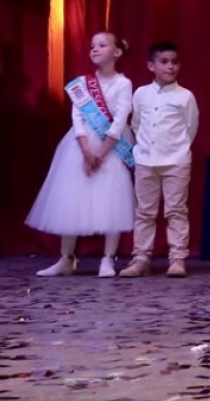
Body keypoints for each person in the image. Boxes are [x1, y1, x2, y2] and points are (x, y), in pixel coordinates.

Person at [27, 32, 135, 278]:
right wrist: (86, 151)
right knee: (72, 197)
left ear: (117, 52)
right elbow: (77, 116)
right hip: (80, 145)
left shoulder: (123, 83)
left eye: (102, 45)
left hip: (110, 147)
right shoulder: (82, 84)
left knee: (112, 198)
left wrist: (101, 153)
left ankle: (108, 258)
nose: (95, 49)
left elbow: (120, 120)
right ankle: (66, 258)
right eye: (92, 46)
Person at [118, 42, 199, 278]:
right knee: (144, 212)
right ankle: (141, 258)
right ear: (151, 66)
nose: (170, 66)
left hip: (176, 161)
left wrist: (177, 150)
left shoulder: (185, 96)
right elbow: (136, 124)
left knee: (176, 211)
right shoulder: (141, 93)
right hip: (145, 161)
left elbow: (191, 128)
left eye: (174, 62)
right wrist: (144, 149)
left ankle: (177, 259)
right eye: (164, 62)